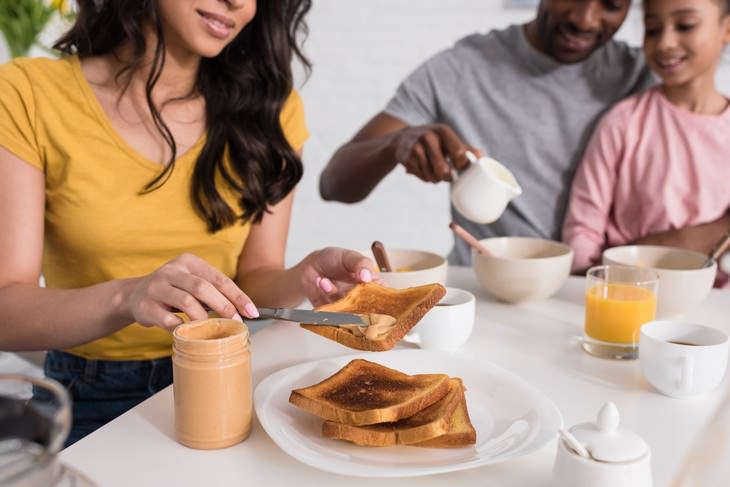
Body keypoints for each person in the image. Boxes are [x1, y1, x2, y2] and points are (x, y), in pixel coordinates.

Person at [0, 0, 374, 445]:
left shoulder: (270, 109)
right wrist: (129, 295)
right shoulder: (26, 94)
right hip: (94, 391)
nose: (237, 3)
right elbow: (7, 311)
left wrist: (304, 276)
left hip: (233, 369)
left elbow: (253, 280)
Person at [319, 0, 657, 265]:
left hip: (597, 294)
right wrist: (394, 144)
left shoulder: (642, 75)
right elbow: (334, 184)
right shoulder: (461, 68)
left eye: (611, 4)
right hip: (485, 294)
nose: (586, 19)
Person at [562, 0, 730, 284]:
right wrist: (589, 285)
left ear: (726, 29)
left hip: (711, 300)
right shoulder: (623, 122)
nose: (665, 42)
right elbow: (583, 228)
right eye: (652, 30)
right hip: (625, 292)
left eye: (685, 26)